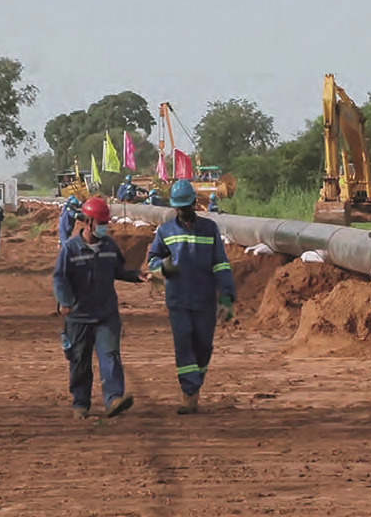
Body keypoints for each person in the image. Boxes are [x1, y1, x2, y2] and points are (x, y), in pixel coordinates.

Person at [53, 196, 147, 420]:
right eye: (101, 223)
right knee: (79, 360)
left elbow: (119, 270)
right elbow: (60, 278)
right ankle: (80, 403)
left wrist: (137, 275)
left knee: (111, 356)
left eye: (106, 223)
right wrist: (65, 301)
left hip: (106, 314)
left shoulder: (109, 246)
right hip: (79, 316)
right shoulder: (71, 249)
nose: (105, 227)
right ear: (87, 222)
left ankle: (114, 399)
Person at [147, 178, 235, 415]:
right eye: (179, 208)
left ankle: (195, 384)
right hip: (178, 300)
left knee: (203, 346)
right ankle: (189, 393)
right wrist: (163, 266)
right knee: (184, 343)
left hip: (205, 300)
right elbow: (152, 259)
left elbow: (221, 264)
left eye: (187, 207)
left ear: (195, 204)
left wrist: (227, 297)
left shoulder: (210, 229)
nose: (184, 212)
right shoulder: (165, 231)